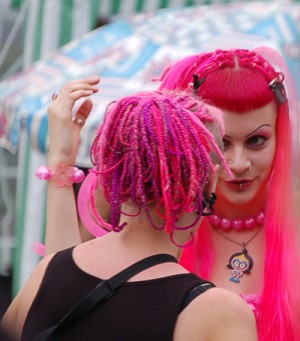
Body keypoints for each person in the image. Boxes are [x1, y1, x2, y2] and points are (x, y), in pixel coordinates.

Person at [1, 85, 257, 340]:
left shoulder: (49, 274)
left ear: (113, 172)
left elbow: (66, 268)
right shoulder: (217, 314)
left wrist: (61, 158)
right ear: (211, 179)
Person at [157, 47, 300, 341]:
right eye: (220, 143)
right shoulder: (157, 228)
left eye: (257, 141)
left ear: (280, 134)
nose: (237, 164)